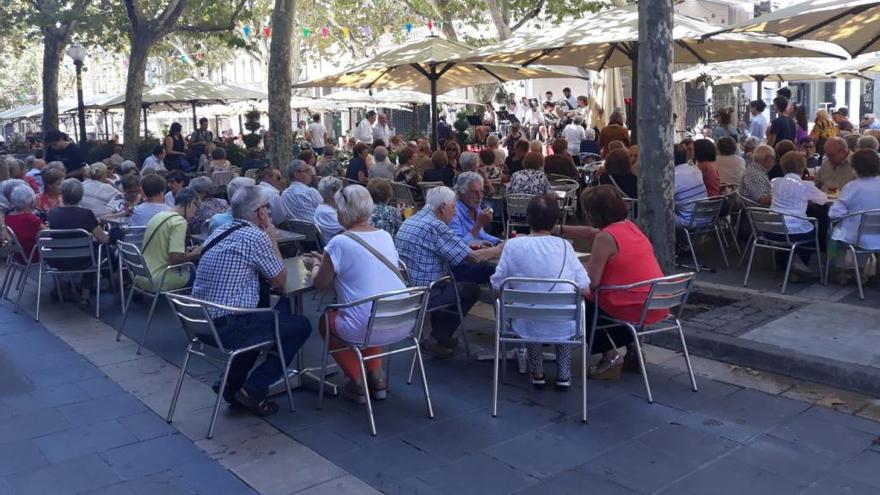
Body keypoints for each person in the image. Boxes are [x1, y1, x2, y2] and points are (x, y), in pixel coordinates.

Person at [192, 185, 311, 416]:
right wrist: (272, 239)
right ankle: (254, 389)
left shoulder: (220, 232)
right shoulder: (255, 236)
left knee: (276, 310)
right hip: (228, 326)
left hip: (200, 322)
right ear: (260, 213)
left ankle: (230, 383)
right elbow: (280, 280)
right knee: (301, 326)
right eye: (267, 207)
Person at [304, 184, 406, 402]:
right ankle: (377, 377)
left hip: (365, 326)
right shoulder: (385, 236)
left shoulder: (339, 242)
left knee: (327, 323)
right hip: (402, 322)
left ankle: (357, 380)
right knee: (372, 308)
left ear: (342, 211)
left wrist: (314, 265)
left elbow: (321, 283)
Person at [490, 194, 588, 388]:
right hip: (564, 322)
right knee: (562, 317)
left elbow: (497, 285)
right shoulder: (566, 247)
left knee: (529, 316)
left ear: (527, 218)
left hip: (525, 322)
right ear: (556, 221)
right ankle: (563, 374)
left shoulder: (512, 245)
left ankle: (537, 373)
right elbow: (584, 286)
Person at [395, 186, 502, 358]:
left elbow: (442, 247)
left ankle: (441, 335)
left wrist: (467, 246)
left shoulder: (413, 220)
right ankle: (437, 338)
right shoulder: (436, 226)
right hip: (428, 291)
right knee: (470, 289)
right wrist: (499, 250)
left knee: (452, 280)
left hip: (408, 288)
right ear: (443, 207)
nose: (454, 214)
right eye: (453, 208)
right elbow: (473, 258)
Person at [581, 185, 666, 378]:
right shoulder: (629, 227)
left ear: (594, 213)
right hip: (656, 299)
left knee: (584, 300)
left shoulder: (605, 237)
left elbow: (592, 283)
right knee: (602, 298)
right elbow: (589, 234)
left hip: (632, 304)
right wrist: (559, 228)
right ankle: (633, 349)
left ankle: (609, 356)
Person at [47, 179, 110, 309]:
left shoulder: (52, 213)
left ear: (62, 194)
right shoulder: (86, 214)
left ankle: (63, 285)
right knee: (96, 252)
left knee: (86, 251)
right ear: (81, 196)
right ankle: (85, 295)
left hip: (56, 260)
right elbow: (103, 239)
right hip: (82, 260)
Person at [770, 152, 828, 277]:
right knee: (816, 227)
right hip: (792, 232)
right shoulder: (805, 186)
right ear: (802, 168)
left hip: (770, 230)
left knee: (799, 225)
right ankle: (801, 263)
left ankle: (786, 262)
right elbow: (823, 200)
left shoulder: (774, 182)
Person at [137, 187, 201, 292]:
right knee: (203, 274)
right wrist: (195, 253)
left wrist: (187, 250)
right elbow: (175, 259)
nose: (196, 212)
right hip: (159, 278)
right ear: (190, 203)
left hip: (141, 275)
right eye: (196, 206)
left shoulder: (159, 215)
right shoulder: (179, 222)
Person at [828, 149, 880, 277]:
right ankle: (860, 268)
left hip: (856, 236)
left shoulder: (852, 187)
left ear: (854, 167)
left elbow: (834, 214)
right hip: (877, 234)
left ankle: (837, 267)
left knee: (834, 232)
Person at [5, 184, 44, 263]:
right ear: (31, 201)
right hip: (34, 255)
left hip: (18, 256)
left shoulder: (8, 218)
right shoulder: (30, 218)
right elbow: (48, 232)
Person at [673, 144, 708, 226]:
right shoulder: (696, 170)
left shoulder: (673, 176)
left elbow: (663, 200)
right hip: (706, 217)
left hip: (688, 221)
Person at [314, 176, 344, 243]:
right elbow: (346, 231)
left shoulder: (330, 208)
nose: (343, 194)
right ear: (333, 193)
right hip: (337, 245)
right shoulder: (326, 212)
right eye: (341, 191)